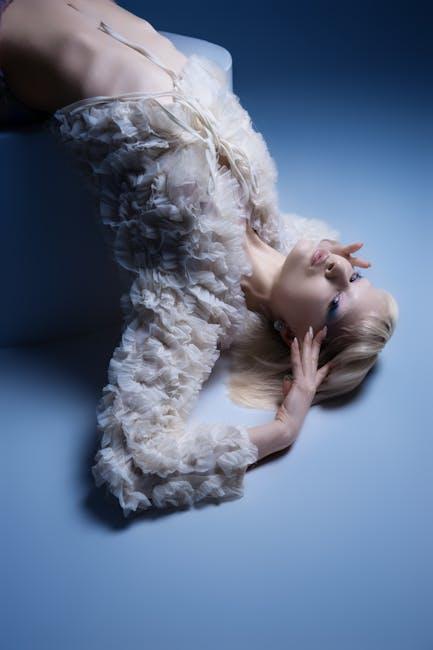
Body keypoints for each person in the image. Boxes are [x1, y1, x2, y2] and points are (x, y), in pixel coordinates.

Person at [0, 0, 399, 514]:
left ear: (293, 338)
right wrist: (325, 275)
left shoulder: (192, 303)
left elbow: (136, 461)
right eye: (356, 277)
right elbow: (315, 250)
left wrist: (283, 429)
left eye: (336, 304)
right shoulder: (275, 228)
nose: (341, 268)